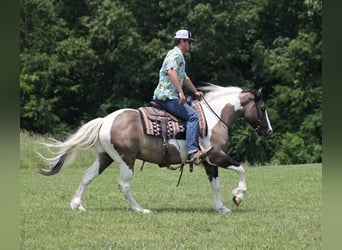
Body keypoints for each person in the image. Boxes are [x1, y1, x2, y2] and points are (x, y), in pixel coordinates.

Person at [152, 29, 207, 165]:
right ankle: (193, 152)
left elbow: (184, 77)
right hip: (167, 96)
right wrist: (181, 93)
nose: (190, 45)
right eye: (189, 42)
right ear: (182, 41)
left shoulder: (178, 55)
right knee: (193, 116)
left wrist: (195, 91)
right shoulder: (175, 54)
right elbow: (171, 72)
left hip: (167, 95)